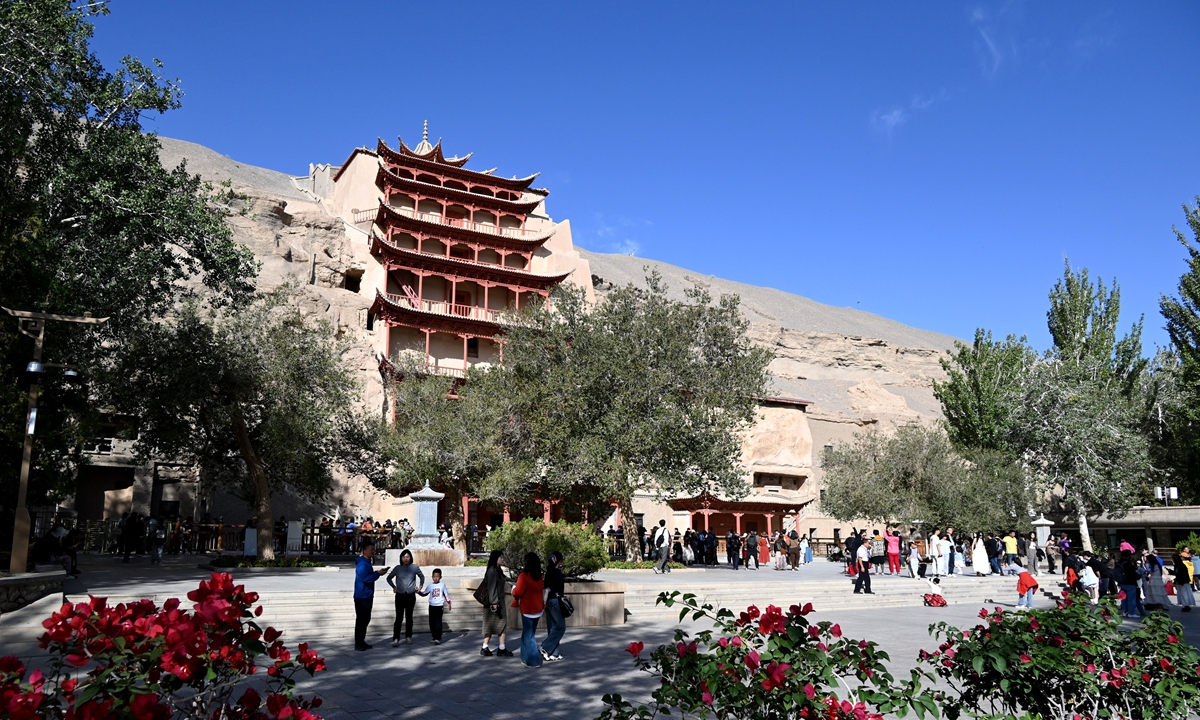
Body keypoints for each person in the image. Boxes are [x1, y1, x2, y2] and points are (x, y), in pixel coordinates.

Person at [512, 552, 545, 668]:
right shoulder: (539, 577)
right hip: (538, 609)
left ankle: (533, 660)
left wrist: (513, 590)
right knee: (528, 634)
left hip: (527, 609)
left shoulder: (524, 576)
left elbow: (519, 592)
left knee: (529, 635)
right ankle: (524, 657)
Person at [353, 541, 387, 651]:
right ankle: (358, 643)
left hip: (367, 595)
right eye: (371, 549)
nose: (373, 551)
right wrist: (378, 574)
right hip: (362, 596)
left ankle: (361, 641)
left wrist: (377, 573)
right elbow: (365, 578)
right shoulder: (362, 564)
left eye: (373, 549)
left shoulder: (366, 561)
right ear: (364, 551)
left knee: (365, 619)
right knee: (362, 620)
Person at [386, 549, 425, 646]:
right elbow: (389, 578)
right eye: (404, 557)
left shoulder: (414, 567)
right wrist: (394, 587)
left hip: (411, 595)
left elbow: (422, 576)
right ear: (401, 558)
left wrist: (420, 586)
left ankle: (408, 636)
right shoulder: (397, 568)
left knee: (409, 617)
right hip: (400, 595)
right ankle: (396, 638)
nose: (406, 559)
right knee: (399, 617)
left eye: (407, 557)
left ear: (410, 558)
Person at [479, 550, 513, 657]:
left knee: (501, 625)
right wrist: (494, 602)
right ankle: (486, 647)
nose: (502, 559)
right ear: (495, 558)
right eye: (501, 557)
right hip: (493, 603)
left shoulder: (498, 570)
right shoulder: (492, 571)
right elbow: (491, 588)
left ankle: (500, 648)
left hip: (499, 601)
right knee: (491, 625)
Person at [541, 551, 566, 662]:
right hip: (555, 601)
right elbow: (559, 589)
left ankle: (554, 653)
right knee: (560, 626)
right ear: (558, 561)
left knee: (551, 626)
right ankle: (546, 647)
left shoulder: (548, 572)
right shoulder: (558, 573)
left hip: (547, 601)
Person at [418, 568, 450, 645]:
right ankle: (434, 636)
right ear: (432, 577)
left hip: (439, 606)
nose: (435, 578)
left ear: (440, 577)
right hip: (432, 606)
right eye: (434, 576)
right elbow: (424, 593)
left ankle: (438, 638)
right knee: (432, 622)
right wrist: (418, 592)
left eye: (437, 576)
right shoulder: (430, 586)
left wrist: (449, 603)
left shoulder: (442, 585)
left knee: (438, 622)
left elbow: (446, 594)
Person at [1116, 550, 1142, 618]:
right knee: (1131, 598)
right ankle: (1131, 612)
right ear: (1129, 555)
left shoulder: (1119, 562)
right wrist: (1138, 576)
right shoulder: (1128, 563)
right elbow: (1132, 573)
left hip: (1122, 582)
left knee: (1124, 598)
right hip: (1130, 582)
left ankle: (1125, 611)